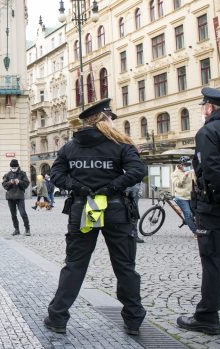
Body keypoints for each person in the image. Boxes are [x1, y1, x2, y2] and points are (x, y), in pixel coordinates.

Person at [44, 98, 146, 336]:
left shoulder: (71, 146)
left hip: (82, 209)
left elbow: (56, 174)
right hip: (115, 209)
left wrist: (77, 186)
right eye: (110, 117)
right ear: (103, 119)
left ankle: (58, 317)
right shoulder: (120, 143)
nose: (112, 121)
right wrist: (111, 187)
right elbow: (136, 171)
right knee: (124, 266)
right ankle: (133, 319)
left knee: (74, 266)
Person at [177, 87, 220, 336]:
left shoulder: (208, 131)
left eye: (203, 107)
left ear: (210, 107)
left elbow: (213, 171)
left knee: (213, 262)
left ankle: (207, 317)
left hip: (216, 208)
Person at [3, 159, 31, 236]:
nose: (13, 168)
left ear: (18, 166)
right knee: (13, 215)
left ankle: (27, 229)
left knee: (23, 213)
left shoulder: (22, 174)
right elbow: (4, 185)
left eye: (15, 167)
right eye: (12, 167)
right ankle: (16, 229)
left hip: (19, 196)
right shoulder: (7, 175)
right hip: (10, 197)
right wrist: (10, 182)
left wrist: (20, 182)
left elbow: (26, 184)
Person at [170, 156, 197, 235]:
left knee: (196, 213)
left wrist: (195, 174)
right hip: (180, 197)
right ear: (181, 165)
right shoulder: (174, 174)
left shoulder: (190, 171)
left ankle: (189, 222)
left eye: (189, 165)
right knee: (188, 214)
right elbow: (178, 184)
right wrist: (184, 176)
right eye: (186, 165)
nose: (187, 166)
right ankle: (195, 232)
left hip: (191, 196)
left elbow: (195, 182)